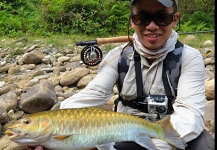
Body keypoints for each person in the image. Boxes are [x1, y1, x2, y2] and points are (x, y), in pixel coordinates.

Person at [33, 0, 209, 149]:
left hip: (170, 126)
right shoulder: (117, 57)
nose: (152, 26)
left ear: (175, 19)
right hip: (123, 131)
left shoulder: (189, 57)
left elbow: (190, 115)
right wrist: (52, 130)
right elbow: (92, 95)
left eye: (162, 18)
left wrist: (153, 144)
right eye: (142, 18)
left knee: (206, 144)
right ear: (132, 21)